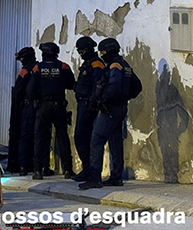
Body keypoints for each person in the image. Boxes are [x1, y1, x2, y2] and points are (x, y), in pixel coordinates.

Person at [79, 38, 132, 190]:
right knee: (115, 142)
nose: (101, 55)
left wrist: (103, 100)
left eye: (103, 52)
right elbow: (136, 86)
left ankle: (95, 177)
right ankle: (116, 177)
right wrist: (124, 98)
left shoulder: (115, 66)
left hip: (109, 109)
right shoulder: (125, 65)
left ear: (109, 51)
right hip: (120, 108)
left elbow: (114, 87)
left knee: (96, 140)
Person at [27, 42, 75, 180]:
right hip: (59, 106)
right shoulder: (63, 66)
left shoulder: (37, 68)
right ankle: (68, 170)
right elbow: (71, 84)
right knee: (62, 137)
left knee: (39, 138)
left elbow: (30, 91)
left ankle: (38, 171)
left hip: (43, 107)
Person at [71, 36, 105, 182]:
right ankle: (86, 169)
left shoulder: (96, 63)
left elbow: (98, 84)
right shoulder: (88, 63)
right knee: (81, 138)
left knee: (84, 137)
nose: (81, 53)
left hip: (89, 105)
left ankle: (90, 170)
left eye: (83, 50)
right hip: (83, 104)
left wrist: (92, 102)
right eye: (79, 51)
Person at [10, 47, 37, 175]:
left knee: (25, 136)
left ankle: (23, 166)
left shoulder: (24, 71)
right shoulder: (39, 67)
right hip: (41, 106)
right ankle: (39, 166)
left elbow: (17, 91)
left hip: (28, 107)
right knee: (40, 136)